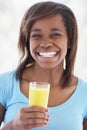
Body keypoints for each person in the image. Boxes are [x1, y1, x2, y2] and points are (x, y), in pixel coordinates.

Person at [0, 1, 87, 130]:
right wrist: (13, 126)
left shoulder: (84, 93)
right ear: (27, 40)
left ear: (69, 41)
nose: (45, 44)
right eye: (36, 36)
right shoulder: (5, 84)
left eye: (56, 35)